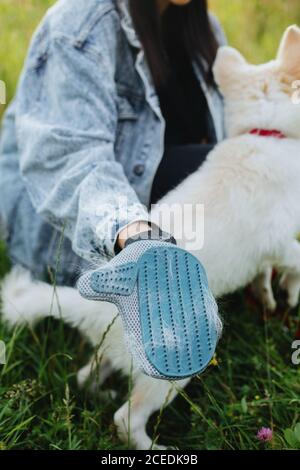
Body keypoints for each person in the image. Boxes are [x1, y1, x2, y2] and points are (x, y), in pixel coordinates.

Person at [0, 0, 226, 287]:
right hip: (73, 242)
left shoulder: (204, 30)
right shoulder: (81, 22)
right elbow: (70, 158)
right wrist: (133, 232)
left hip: (157, 222)